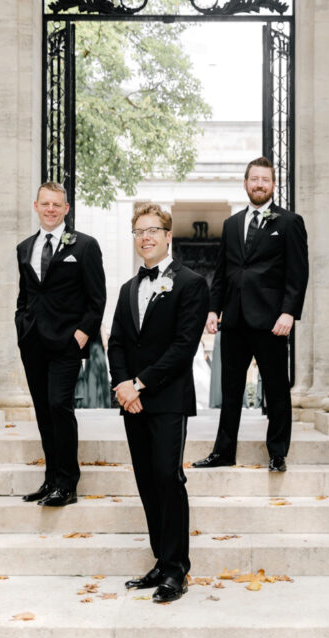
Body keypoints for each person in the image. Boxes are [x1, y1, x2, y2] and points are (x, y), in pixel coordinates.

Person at [108, 204, 209, 603]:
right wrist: (122, 386)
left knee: (169, 479)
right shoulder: (126, 289)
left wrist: (140, 384)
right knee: (147, 481)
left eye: (152, 230)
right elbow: (116, 341)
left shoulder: (191, 283)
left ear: (169, 236)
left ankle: (176, 568)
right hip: (131, 401)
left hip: (166, 398)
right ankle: (160, 559)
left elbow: (184, 346)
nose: (145, 237)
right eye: (138, 232)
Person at [194, 157, 308, 472]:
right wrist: (213, 310)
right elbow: (223, 272)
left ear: (273, 185)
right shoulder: (232, 224)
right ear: (245, 184)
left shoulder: (288, 222)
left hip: (272, 322)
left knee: (276, 388)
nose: (259, 184)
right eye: (253, 179)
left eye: (265, 180)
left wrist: (289, 313)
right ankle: (223, 452)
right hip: (234, 320)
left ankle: (277, 453)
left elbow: (297, 274)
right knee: (230, 390)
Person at [16, 182, 106, 507]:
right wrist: (21, 325)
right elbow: (26, 295)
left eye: (57, 204)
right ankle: (51, 479)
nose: (51, 209)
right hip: (33, 343)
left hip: (66, 344)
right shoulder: (24, 248)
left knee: (59, 405)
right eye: (45, 204)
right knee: (42, 412)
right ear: (36, 206)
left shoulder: (84, 246)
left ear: (66, 209)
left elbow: (97, 299)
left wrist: (81, 335)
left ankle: (68, 483)